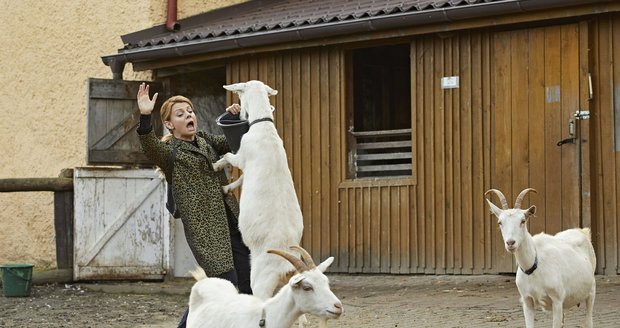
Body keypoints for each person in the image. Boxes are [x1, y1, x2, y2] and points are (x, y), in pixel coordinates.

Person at [135, 83, 251, 328]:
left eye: (190, 111)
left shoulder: (205, 140)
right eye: (180, 114)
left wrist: (235, 117)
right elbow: (149, 145)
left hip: (231, 220)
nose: (189, 115)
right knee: (224, 284)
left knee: (249, 281)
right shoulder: (170, 154)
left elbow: (234, 143)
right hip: (206, 231)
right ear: (169, 124)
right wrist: (145, 116)